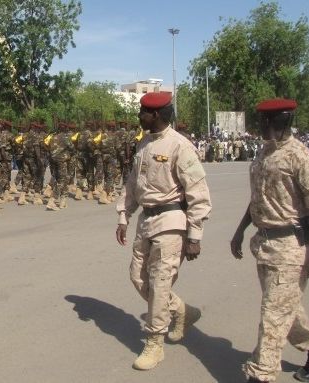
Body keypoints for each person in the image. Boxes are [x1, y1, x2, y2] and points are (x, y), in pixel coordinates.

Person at [230, 98, 309, 383]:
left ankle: (262, 375)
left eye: (270, 122)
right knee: (286, 307)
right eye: (261, 121)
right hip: (265, 245)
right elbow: (259, 199)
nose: (263, 126)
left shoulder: (299, 156)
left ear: (284, 122)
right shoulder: (264, 152)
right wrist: (240, 230)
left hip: (291, 247)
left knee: (273, 316)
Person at [115, 92, 212, 371]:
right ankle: (181, 310)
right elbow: (133, 184)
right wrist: (124, 215)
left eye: (142, 111)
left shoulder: (180, 146)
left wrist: (195, 236)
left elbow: (198, 194)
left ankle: (154, 343)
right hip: (146, 220)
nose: (139, 116)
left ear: (155, 114)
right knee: (137, 277)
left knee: (159, 282)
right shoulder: (144, 144)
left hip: (171, 221)